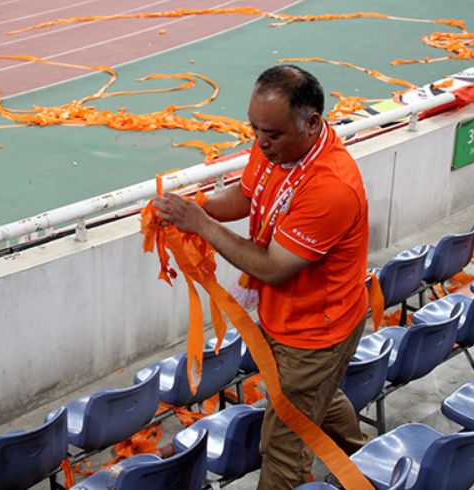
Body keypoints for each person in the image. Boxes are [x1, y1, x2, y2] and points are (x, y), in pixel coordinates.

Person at [153, 65, 370, 489]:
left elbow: (272, 267)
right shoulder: (277, 147)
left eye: (270, 134)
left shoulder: (331, 187)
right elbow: (247, 194)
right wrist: (200, 209)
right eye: (254, 129)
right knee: (315, 397)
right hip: (289, 319)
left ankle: (352, 459)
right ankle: (362, 453)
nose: (260, 142)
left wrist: (202, 225)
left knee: (284, 446)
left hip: (315, 332)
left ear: (311, 123)